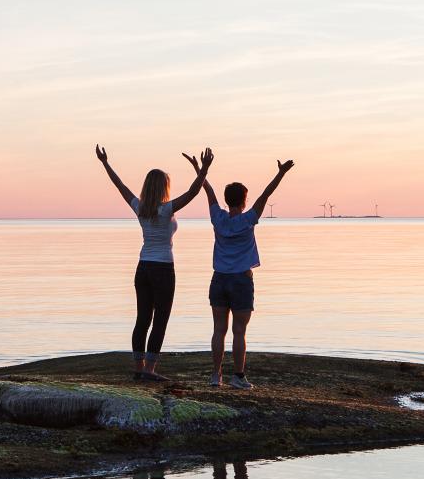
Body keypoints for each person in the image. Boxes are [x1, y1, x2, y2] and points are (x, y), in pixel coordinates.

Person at [96, 145, 214, 381]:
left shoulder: (140, 208)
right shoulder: (166, 209)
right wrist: (204, 169)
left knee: (142, 318)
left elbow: (119, 186)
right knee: (160, 319)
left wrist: (105, 163)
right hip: (162, 269)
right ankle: (149, 370)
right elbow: (193, 192)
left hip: (143, 268)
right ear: (163, 187)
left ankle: (139, 368)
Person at [198, 158, 295, 389]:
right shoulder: (248, 219)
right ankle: (238, 377)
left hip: (219, 278)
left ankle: (215, 376)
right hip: (241, 279)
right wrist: (281, 173)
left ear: (226, 199)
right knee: (238, 331)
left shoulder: (217, 218)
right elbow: (266, 195)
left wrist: (201, 169)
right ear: (244, 200)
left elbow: (207, 189)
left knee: (218, 330)